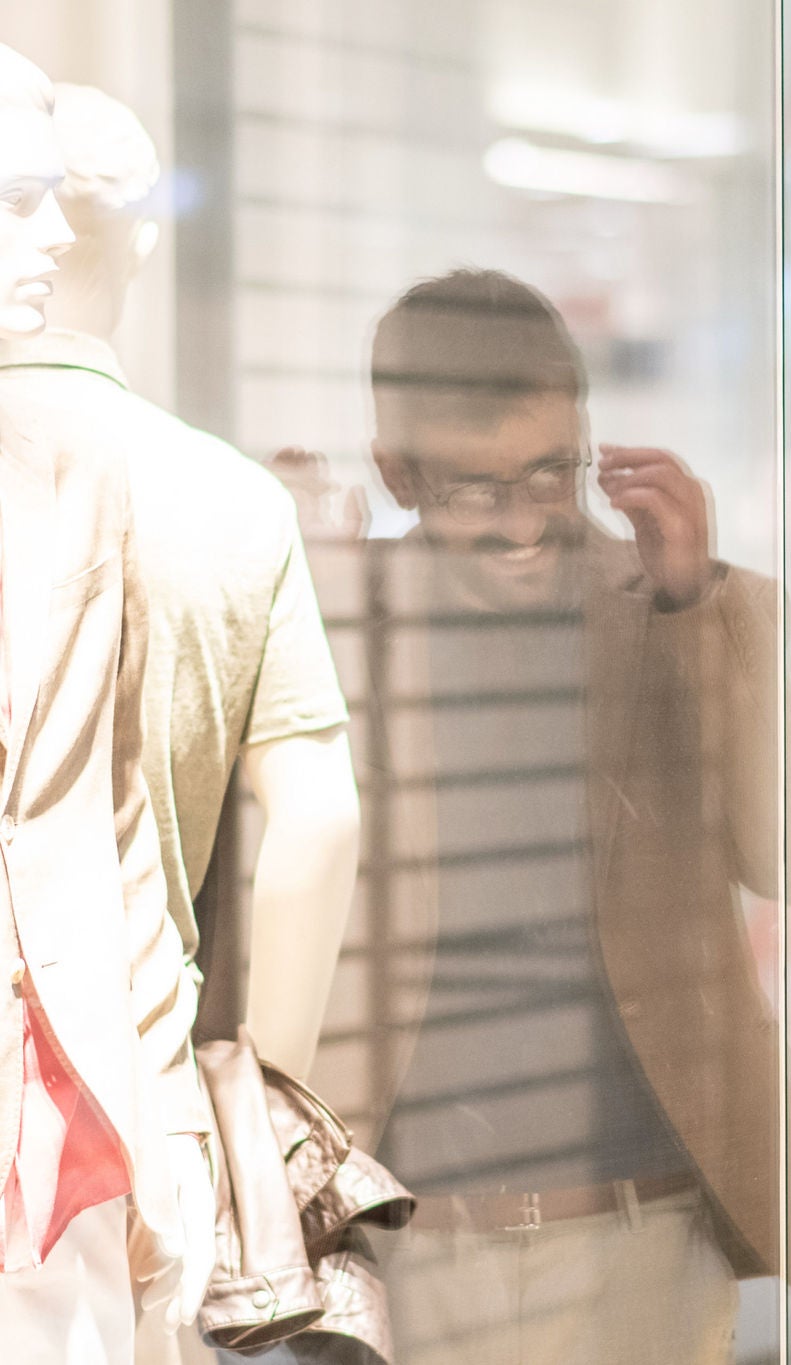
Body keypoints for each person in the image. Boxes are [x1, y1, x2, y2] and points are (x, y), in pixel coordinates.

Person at [354, 268, 791, 1363]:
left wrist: (696, 602)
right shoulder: (336, 622)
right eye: (478, 490)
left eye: (550, 473)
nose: (525, 523)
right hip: (409, 1243)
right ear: (397, 475)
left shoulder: (692, 603)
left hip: (643, 1230)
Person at [0, 82, 360, 1089]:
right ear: (144, 246)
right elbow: (320, 818)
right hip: (144, 1079)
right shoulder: (233, 499)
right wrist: (269, 1102)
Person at [0, 44, 213, 1364]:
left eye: (50, 195)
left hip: (61, 1144)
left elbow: (112, 823)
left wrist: (168, 1116)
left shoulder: (73, 469)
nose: (51, 235)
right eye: (12, 200)